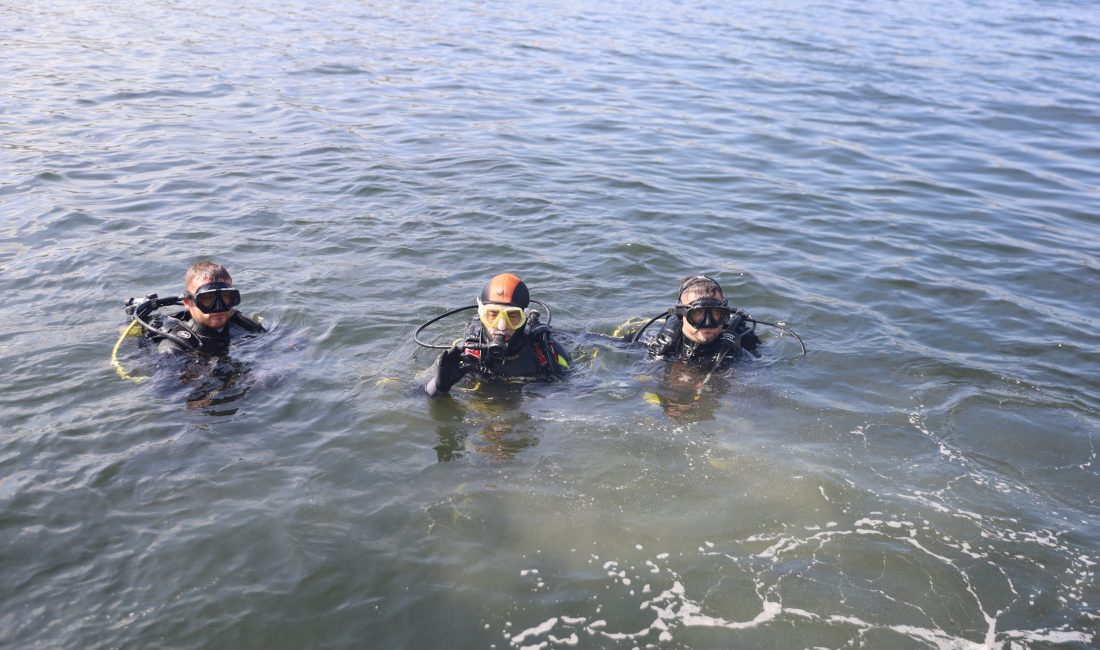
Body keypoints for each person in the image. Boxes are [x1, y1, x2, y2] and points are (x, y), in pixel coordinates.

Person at [425, 273, 571, 397]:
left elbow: (578, 389)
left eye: (512, 316)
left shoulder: (546, 353)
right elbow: (414, 396)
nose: (501, 326)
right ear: (481, 314)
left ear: (525, 318)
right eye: (492, 314)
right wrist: (439, 386)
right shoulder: (463, 354)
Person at [153, 261, 266, 356]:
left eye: (226, 297)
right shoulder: (172, 347)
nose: (219, 307)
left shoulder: (245, 326)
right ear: (188, 302)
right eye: (207, 298)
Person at [645, 275, 760, 364]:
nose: (708, 323)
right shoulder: (655, 342)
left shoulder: (741, 344)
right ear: (681, 314)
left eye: (716, 313)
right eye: (697, 313)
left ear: (724, 315)